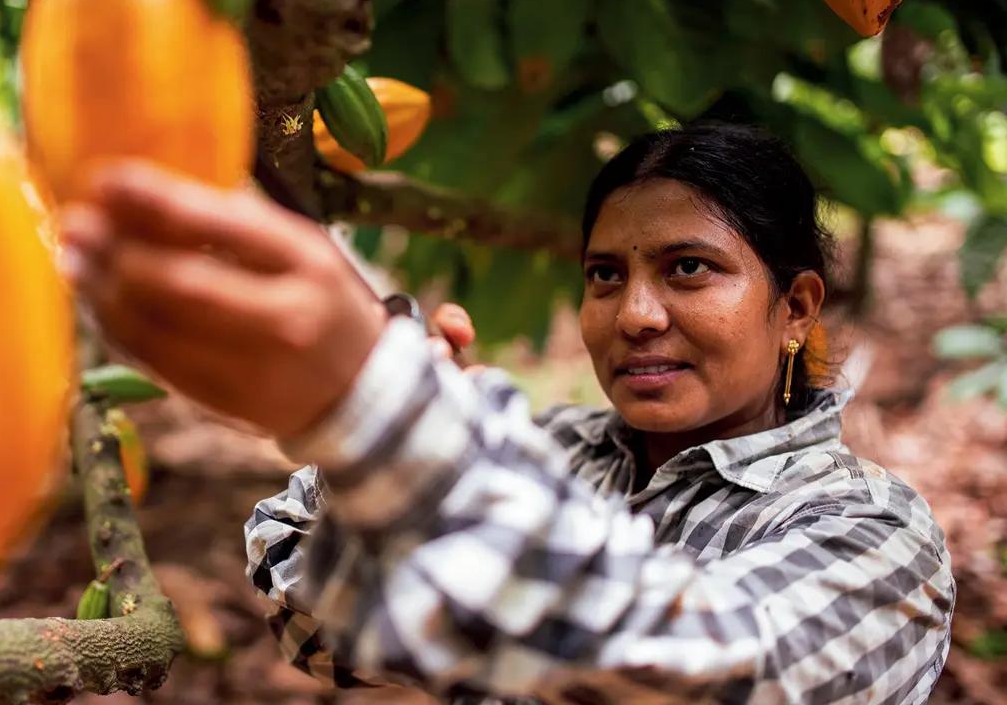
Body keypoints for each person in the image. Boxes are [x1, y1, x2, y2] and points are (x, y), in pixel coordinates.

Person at [60, 123, 954, 704]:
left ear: (795, 307)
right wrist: (397, 443)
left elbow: (705, 671)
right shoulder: (552, 450)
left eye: (689, 268)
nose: (636, 314)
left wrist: (388, 417)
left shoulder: (878, 532)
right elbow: (323, 632)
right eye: (607, 274)